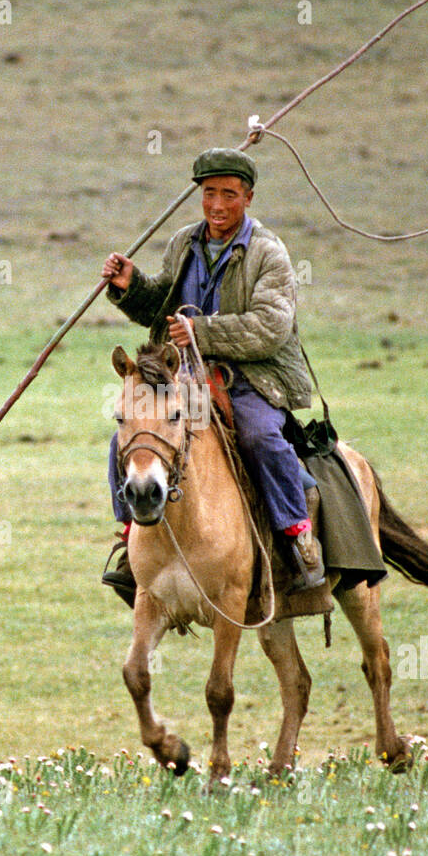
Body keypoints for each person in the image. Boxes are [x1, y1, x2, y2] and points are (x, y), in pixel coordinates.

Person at [101, 147, 324, 607]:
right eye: (208, 194)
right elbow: (161, 306)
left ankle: (298, 536)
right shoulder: (186, 241)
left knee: (261, 436)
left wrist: (200, 330)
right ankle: (130, 540)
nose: (217, 205)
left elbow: (270, 327)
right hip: (188, 379)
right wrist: (130, 286)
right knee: (128, 434)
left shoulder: (269, 253)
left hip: (254, 378)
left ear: (249, 197)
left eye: (228, 194)